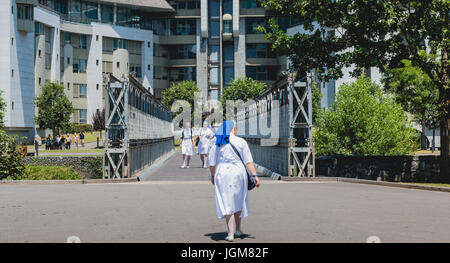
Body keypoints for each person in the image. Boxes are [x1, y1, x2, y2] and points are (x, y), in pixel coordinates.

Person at [208, 120, 261, 242]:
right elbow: (248, 161)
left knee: (227, 201)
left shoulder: (218, 142)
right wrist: (255, 175)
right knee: (239, 199)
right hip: (238, 172)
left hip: (223, 173)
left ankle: (230, 233)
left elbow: (211, 162)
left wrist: (212, 175)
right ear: (234, 129)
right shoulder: (241, 141)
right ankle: (238, 229)